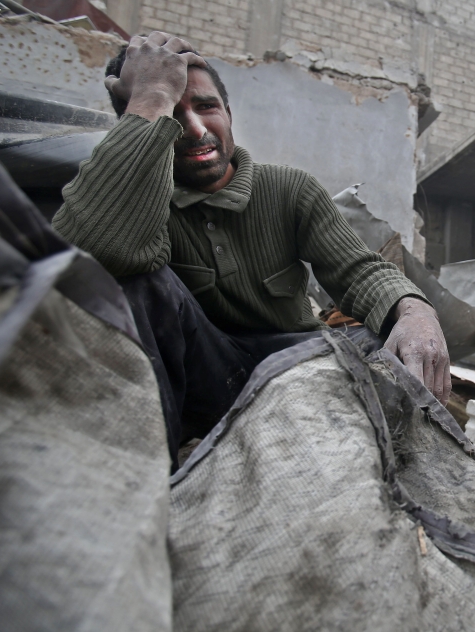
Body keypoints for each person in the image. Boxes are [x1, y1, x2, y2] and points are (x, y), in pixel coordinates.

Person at [52, 32, 450, 466]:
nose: (197, 129)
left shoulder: (290, 189)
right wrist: (149, 97)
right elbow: (87, 259)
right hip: (202, 378)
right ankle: (156, 479)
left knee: (382, 346)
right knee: (142, 283)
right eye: (173, 112)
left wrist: (416, 313)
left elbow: (361, 271)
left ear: (228, 112)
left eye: (206, 107)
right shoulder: (138, 203)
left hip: (294, 368)